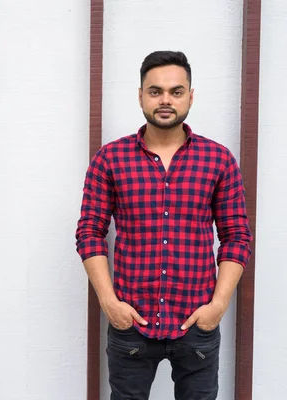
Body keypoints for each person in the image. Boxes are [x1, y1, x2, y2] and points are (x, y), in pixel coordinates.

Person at [75, 51, 252, 400]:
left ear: (190, 95)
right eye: (155, 91)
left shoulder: (218, 159)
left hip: (196, 323)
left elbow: (236, 236)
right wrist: (109, 302)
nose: (166, 100)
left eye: (176, 90)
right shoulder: (111, 158)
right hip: (132, 324)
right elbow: (89, 232)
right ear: (141, 95)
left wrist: (217, 305)